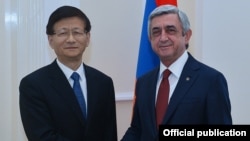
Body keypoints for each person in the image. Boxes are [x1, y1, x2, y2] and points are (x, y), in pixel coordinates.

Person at [121, 4, 232, 141]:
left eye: (170, 30)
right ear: (150, 39)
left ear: (186, 36)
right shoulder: (144, 82)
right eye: (156, 32)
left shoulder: (211, 80)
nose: (163, 38)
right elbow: (137, 129)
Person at [19, 5, 117, 141]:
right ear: (50, 40)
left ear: (88, 38)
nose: (71, 39)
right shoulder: (33, 85)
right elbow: (42, 136)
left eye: (77, 32)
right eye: (63, 33)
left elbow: (109, 133)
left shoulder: (103, 82)